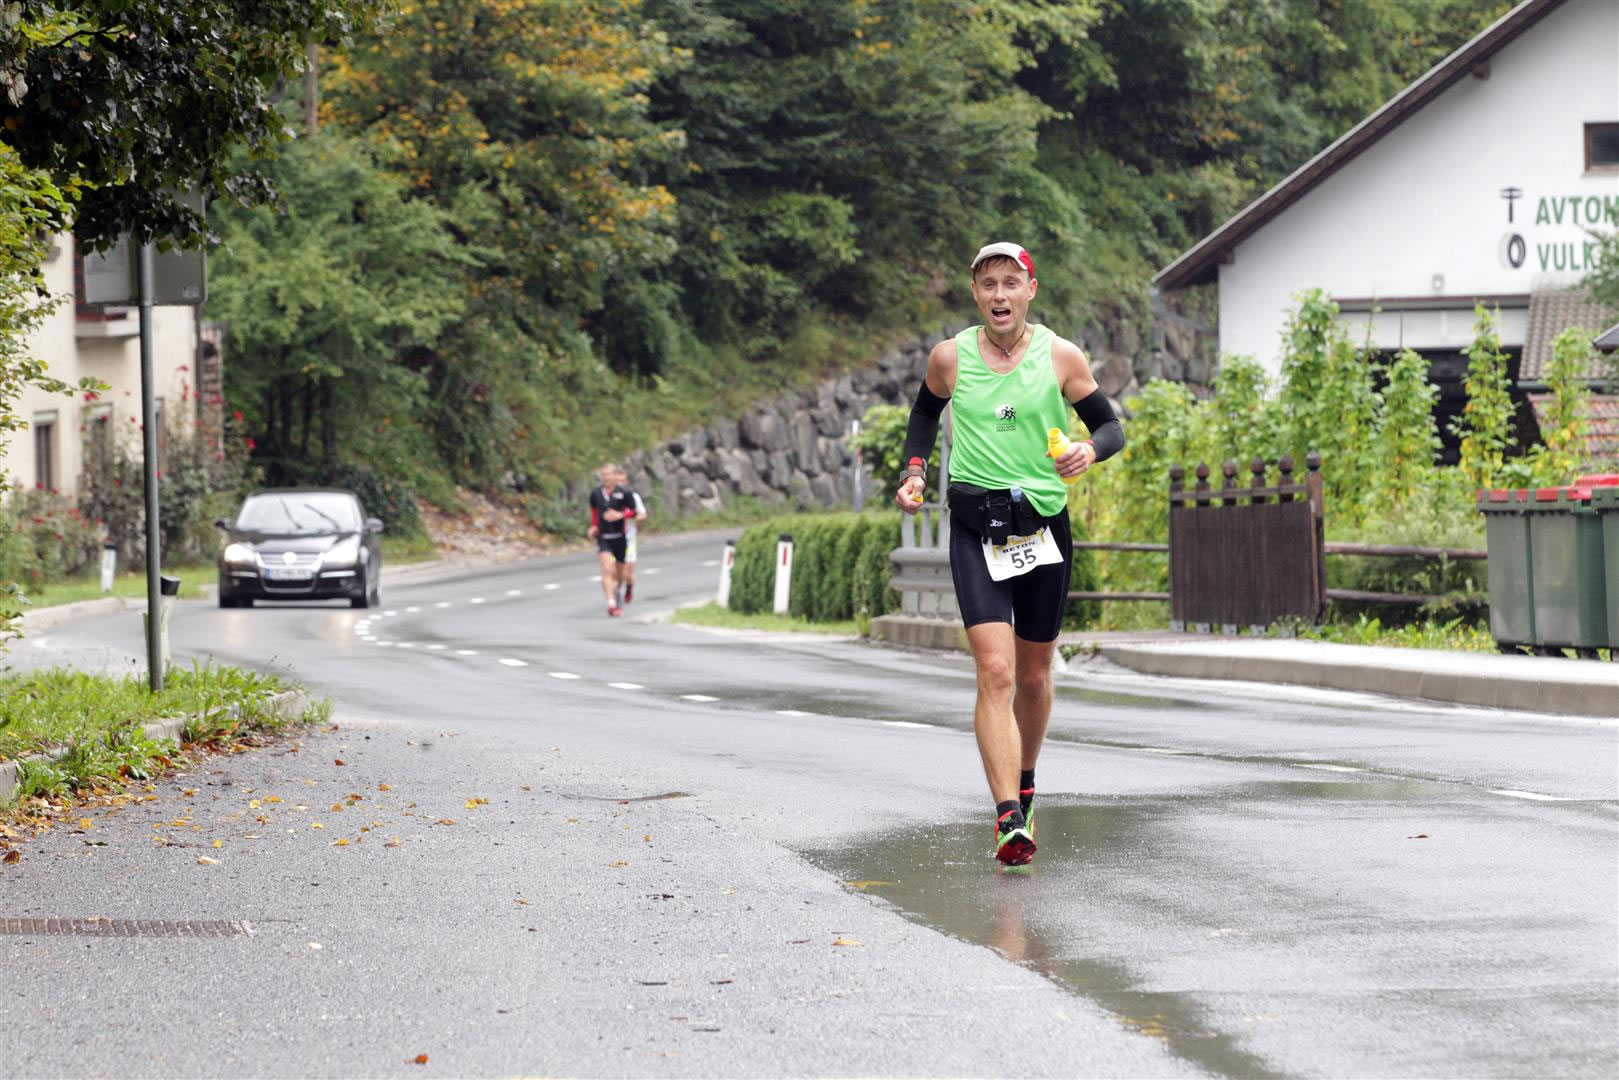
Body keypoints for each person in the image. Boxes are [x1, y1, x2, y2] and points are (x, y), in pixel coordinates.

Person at [895, 242, 1124, 867]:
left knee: (1034, 675)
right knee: (995, 671)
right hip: (976, 527)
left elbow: (1110, 428)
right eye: (988, 284)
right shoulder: (950, 357)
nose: (1000, 295)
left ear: (1030, 290)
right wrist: (915, 472)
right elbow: (923, 413)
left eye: (1011, 283)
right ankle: (1007, 819)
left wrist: (1089, 451)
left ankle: (1025, 782)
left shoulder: (1060, 356)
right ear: (975, 294)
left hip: (1042, 525)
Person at [587, 462, 637, 616]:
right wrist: (594, 526)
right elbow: (594, 511)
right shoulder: (596, 493)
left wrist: (620, 515)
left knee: (619, 573)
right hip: (604, 537)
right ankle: (611, 604)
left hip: (620, 536)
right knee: (607, 569)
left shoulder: (625, 493)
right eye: (604, 475)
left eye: (609, 474)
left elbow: (634, 512)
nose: (606, 477)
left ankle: (617, 590)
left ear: (615, 476)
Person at [613, 465, 648, 603]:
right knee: (614, 571)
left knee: (627, 572)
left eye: (622, 481)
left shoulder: (633, 496)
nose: (620, 484)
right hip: (614, 537)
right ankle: (615, 593)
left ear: (626, 481)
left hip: (629, 538)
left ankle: (629, 586)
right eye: (617, 481)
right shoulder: (610, 496)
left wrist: (630, 517)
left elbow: (642, 514)